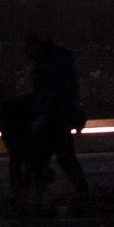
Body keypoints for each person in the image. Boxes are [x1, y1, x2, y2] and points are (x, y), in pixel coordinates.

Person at [24, 33, 88, 194]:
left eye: (28, 51)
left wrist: (44, 115)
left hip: (54, 119)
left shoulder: (50, 63)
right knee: (62, 156)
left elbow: (55, 92)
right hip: (56, 118)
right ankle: (81, 192)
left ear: (35, 47)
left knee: (51, 158)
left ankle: (34, 193)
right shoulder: (56, 60)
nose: (27, 56)